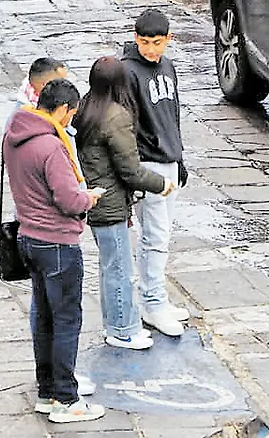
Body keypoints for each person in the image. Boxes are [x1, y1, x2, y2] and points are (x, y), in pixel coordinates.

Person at [4, 79, 106, 423]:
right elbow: (68, 199)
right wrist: (88, 198)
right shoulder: (50, 146)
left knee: (44, 319)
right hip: (58, 245)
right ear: (62, 109)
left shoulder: (14, 135)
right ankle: (66, 399)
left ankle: (47, 390)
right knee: (66, 321)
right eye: (71, 114)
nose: (70, 122)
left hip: (28, 239)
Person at [75, 57, 177, 351]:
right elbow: (130, 170)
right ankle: (122, 329)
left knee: (110, 266)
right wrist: (161, 184)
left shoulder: (86, 107)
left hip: (96, 199)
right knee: (119, 269)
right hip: (110, 202)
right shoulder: (116, 116)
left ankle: (117, 324)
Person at [121, 8, 189, 338]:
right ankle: (153, 302)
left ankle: (156, 295)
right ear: (136, 39)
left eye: (157, 42)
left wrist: (180, 158)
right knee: (155, 235)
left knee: (163, 234)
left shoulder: (168, 67)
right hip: (148, 162)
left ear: (168, 40)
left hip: (169, 159)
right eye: (145, 42)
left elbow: (172, 113)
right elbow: (127, 125)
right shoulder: (127, 72)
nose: (151, 49)